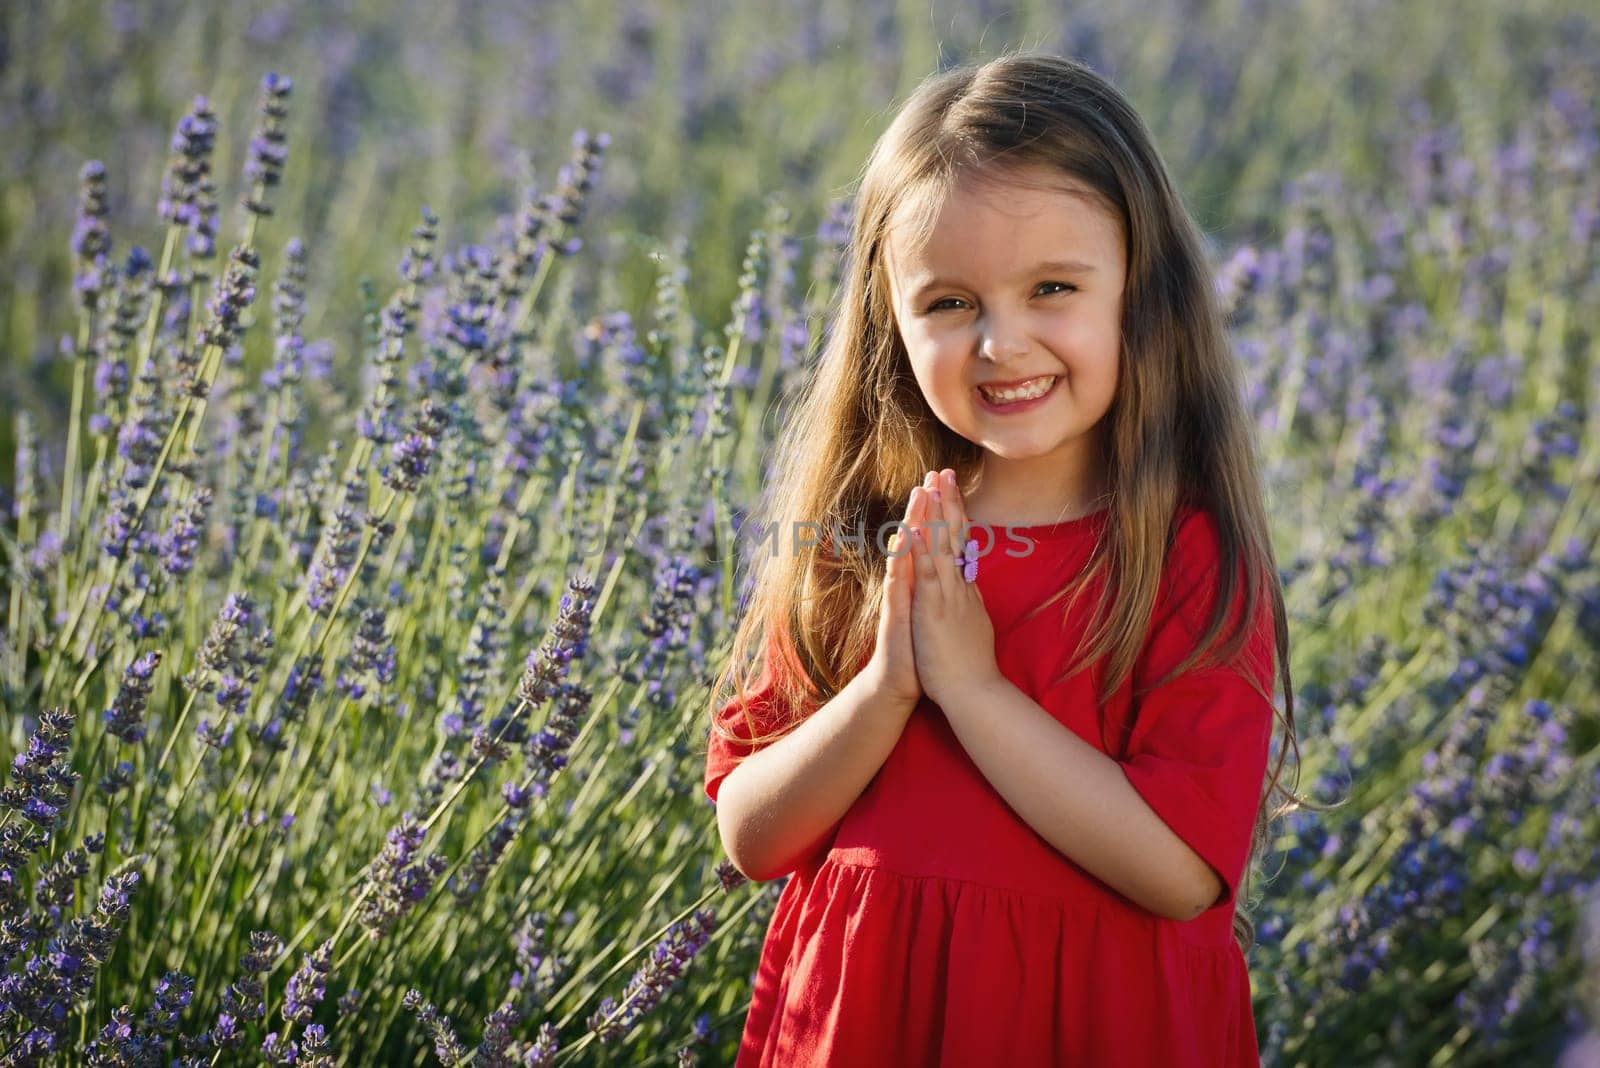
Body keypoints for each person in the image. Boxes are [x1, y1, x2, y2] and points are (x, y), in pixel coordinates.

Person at [702, 48, 1317, 1066]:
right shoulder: (867, 538)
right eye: (948, 303)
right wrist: (887, 689)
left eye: (1051, 288)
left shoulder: (1182, 556)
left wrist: (974, 692)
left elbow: (1178, 872)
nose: (1000, 341)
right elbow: (752, 836)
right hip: (866, 1023)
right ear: (887, 324)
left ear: (1138, 293)